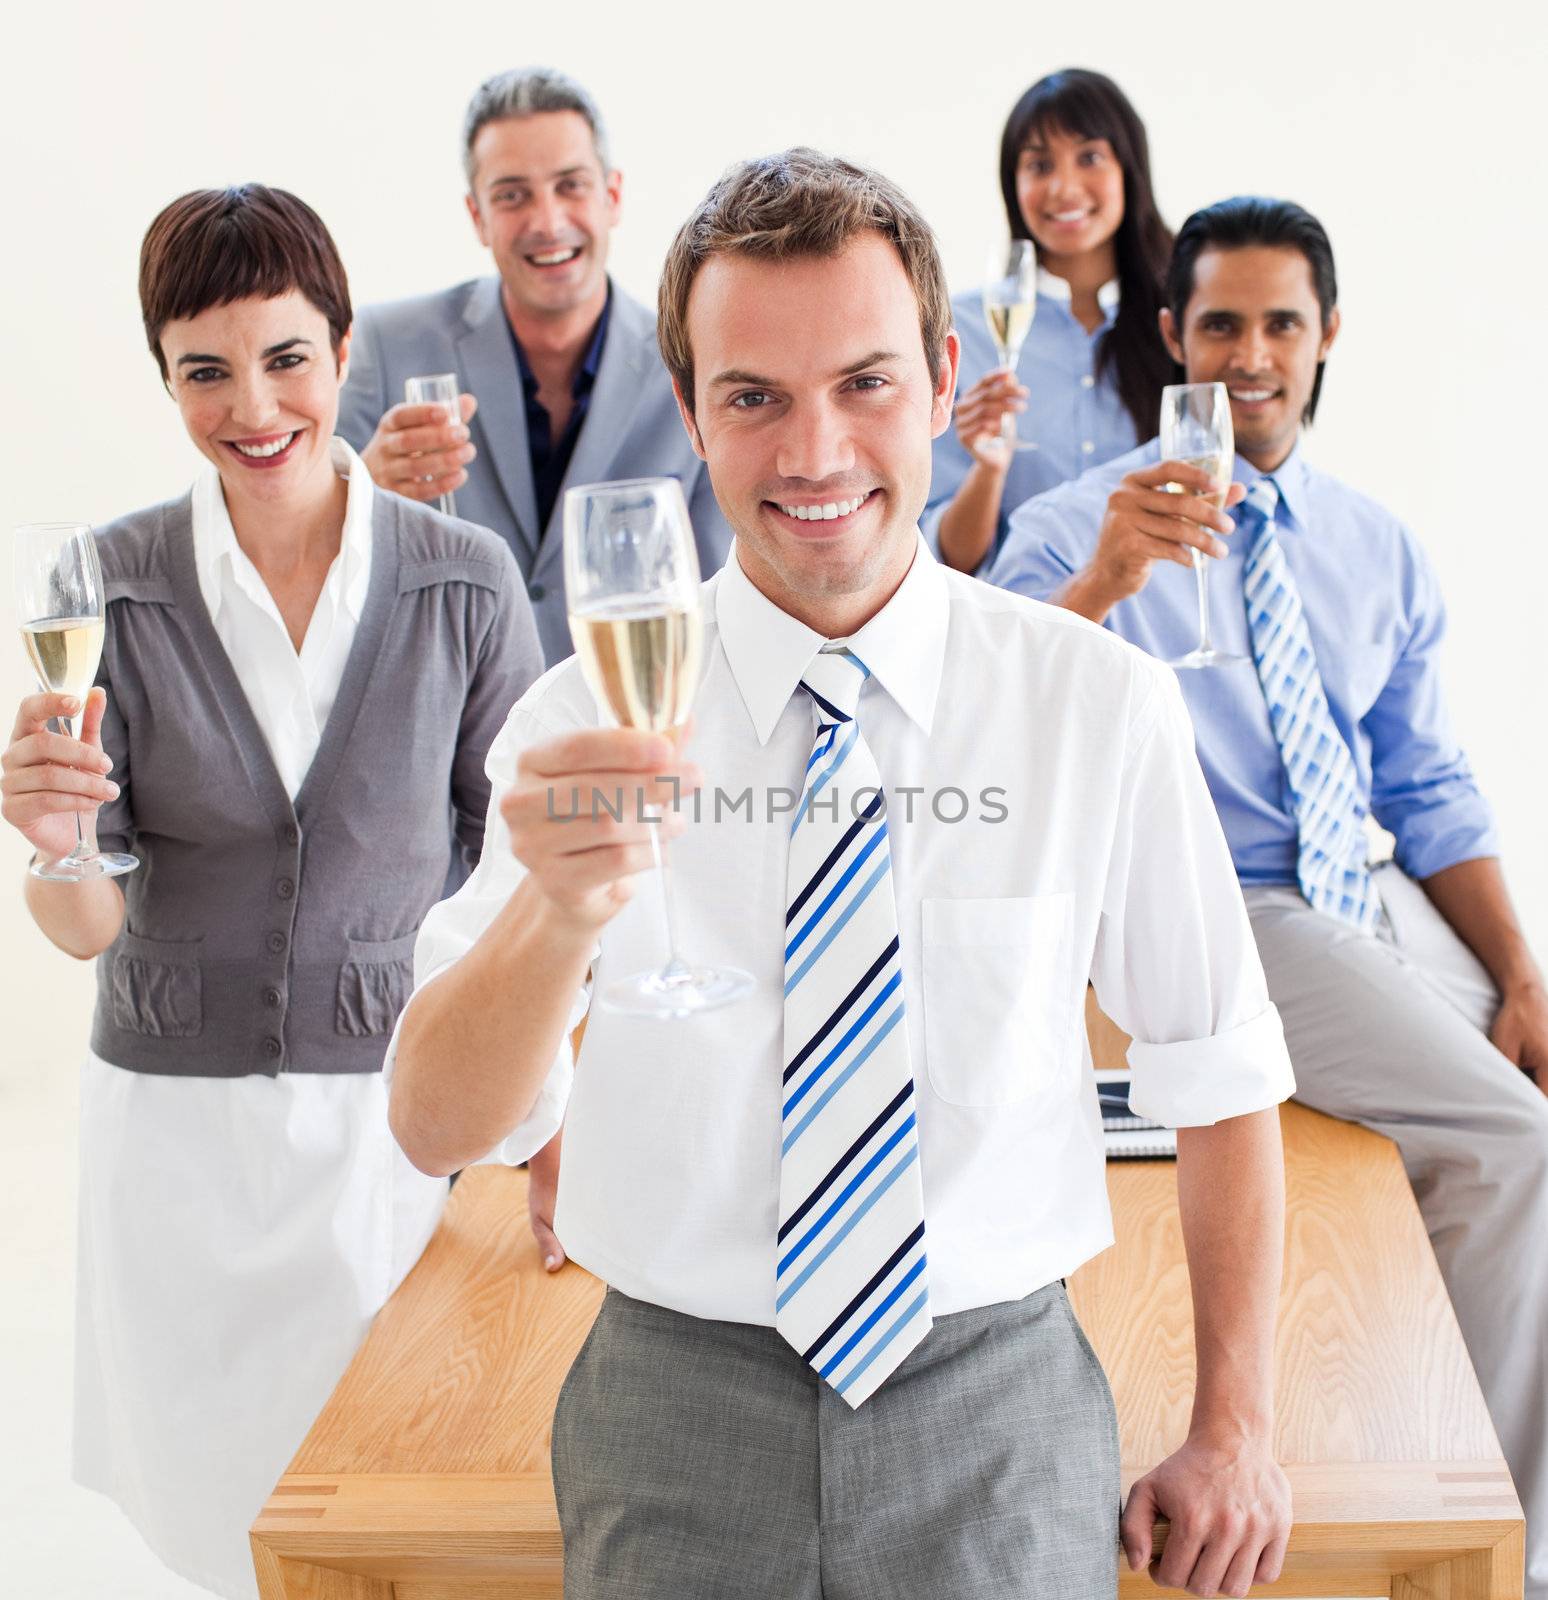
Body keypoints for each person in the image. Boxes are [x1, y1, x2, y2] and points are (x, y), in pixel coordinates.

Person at [387, 149, 1295, 1600]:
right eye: (752, 397)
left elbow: (1221, 1070)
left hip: (996, 1410)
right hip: (671, 1410)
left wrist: (1236, 1430)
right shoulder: (580, 719)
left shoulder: (1092, 704)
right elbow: (436, 1118)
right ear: (690, 413)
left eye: (865, 383)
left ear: (943, 379)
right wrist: (557, 917)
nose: (814, 453)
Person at [991, 195, 1548, 1600]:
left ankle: (1410, 1430)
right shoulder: (1074, 526)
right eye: (1221, 322)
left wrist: (1522, 974)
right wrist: (1111, 582)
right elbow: (983, 730)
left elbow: (1426, 788)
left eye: (1280, 323)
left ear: (1326, 337)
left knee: (1520, 1072)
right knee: (1513, 1144)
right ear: (1173, 336)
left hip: (1360, 890)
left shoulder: (1375, 544)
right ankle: (1502, 1537)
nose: (1251, 353)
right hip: (1221, 900)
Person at [0, 185, 543, 1600]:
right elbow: (88, 925)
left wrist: (545, 1120)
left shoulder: (467, 584)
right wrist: (54, 838)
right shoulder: (103, 583)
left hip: (397, 1134)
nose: (255, 405)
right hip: (180, 1154)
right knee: (221, 1527)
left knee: (393, 1514)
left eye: (287, 356)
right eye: (206, 370)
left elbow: (525, 886)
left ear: (345, 346)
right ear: (165, 375)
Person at [338, 66, 732, 664]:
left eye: (570, 185)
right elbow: (308, 566)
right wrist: (360, 497)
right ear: (477, 217)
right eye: (512, 195)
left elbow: (724, 597)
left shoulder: (696, 359)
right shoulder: (382, 344)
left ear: (613, 197)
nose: (547, 222)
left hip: (632, 723)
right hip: (449, 730)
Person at [924, 68, 1173, 575]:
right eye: (1040, 165)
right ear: (1013, 184)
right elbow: (948, 565)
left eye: (1089, 158)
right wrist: (989, 469)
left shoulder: (1180, 325)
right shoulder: (962, 333)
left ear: (1129, 168)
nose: (1064, 187)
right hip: (1019, 634)